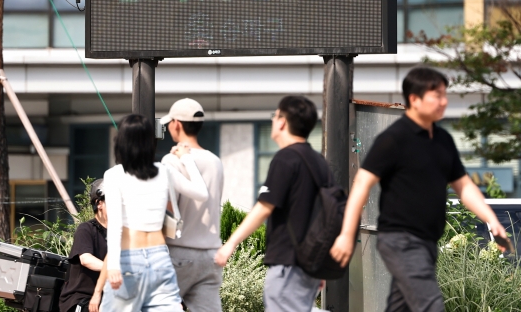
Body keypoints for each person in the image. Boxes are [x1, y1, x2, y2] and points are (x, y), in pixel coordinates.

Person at [330, 67, 509, 312]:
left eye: (445, 95)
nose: (444, 102)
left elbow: (464, 186)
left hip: (426, 241)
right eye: (437, 95)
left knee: (400, 305)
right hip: (400, 239)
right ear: (414, 99)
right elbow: (362, 183)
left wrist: (491, 219)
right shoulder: (393, 139)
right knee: (430, 305)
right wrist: (346, 234)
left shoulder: (443, 140)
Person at [215, 96, 327, 312]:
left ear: (282, 122)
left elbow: (264, 208)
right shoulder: (318, 162)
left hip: (288, 263)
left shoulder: (286, 159)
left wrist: (231, 243)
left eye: (275, 116)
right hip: (311, 263)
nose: (273, 121)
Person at [98, 114, 209, 311]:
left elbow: (114, 225)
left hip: (129, 260)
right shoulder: (164, 171)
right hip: (160, 259)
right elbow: (202, 194)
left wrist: (113, 265)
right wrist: (187, 159)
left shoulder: (114, 175)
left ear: (121, 143)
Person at [160, 98, 224, 312]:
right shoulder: (216, 161)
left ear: (176, 123)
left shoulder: (172, 160)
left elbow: (168, 209)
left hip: (180, 252)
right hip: (211, 254)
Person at [59, 179, 108, 312]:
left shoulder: (119, 233)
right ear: (99, 203)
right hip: (80, 299)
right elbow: (86, 259)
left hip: (107, 298)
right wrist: (114, 270)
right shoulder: (86, 229)